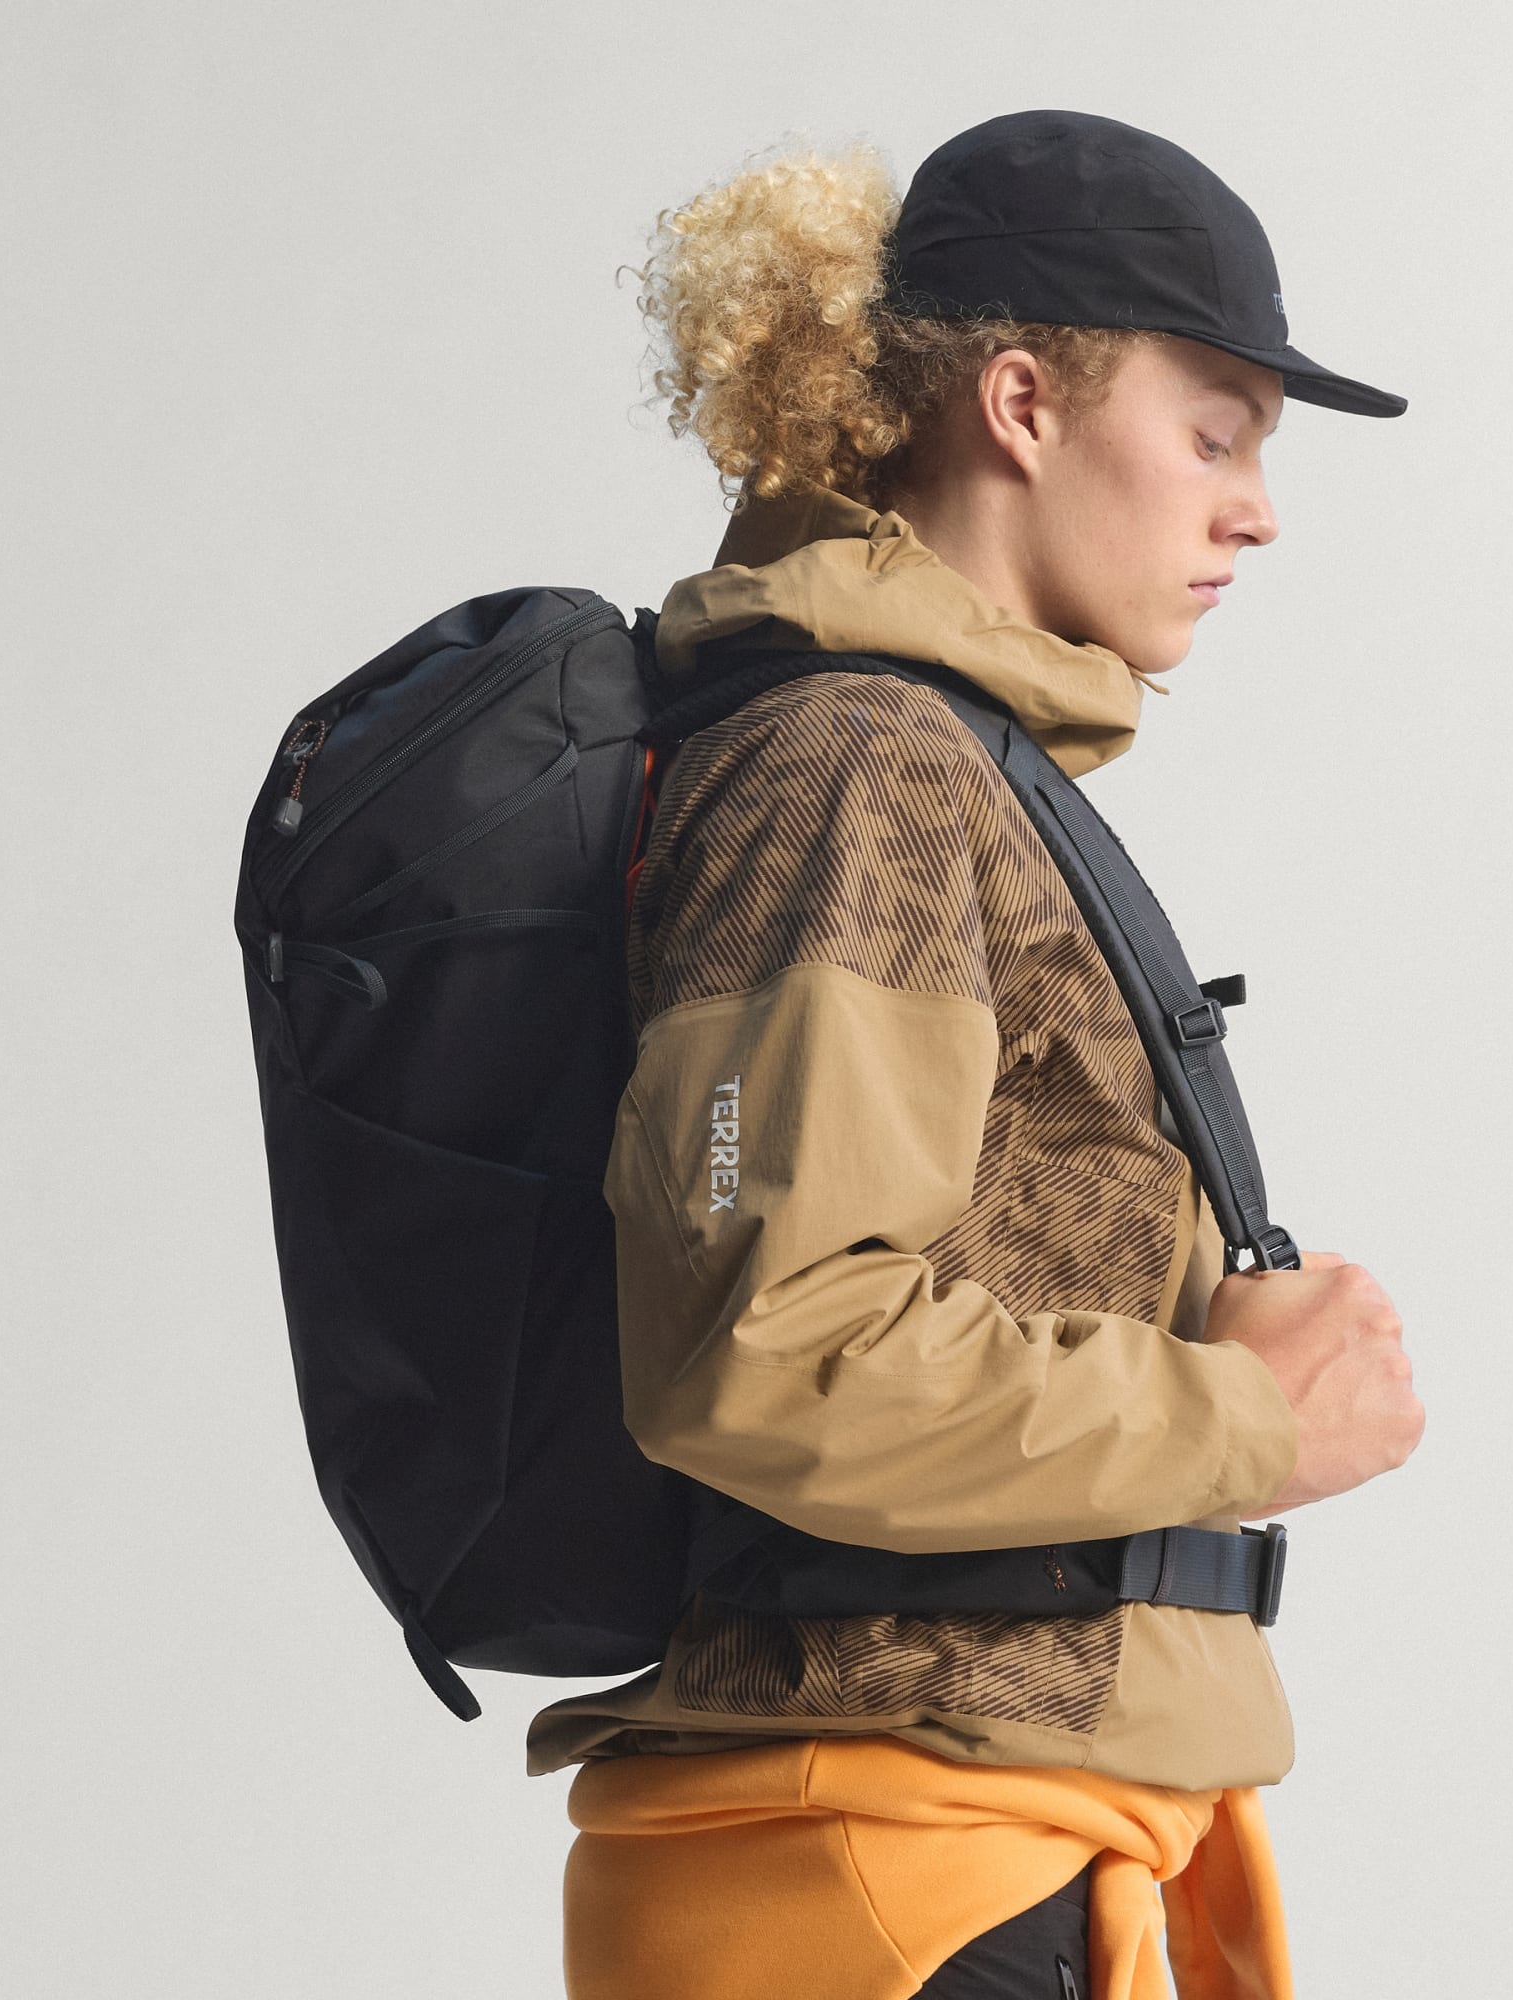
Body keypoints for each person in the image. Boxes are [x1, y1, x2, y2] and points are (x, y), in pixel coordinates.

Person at [529, 111, 1425, 2000]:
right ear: (1022, 403)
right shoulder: (856, 766)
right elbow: (770, 1344)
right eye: (1216, 434)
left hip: (969, 1841)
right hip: (898, 1875)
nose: (1258, 509)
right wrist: (1249, 1415)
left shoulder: (933, 763)